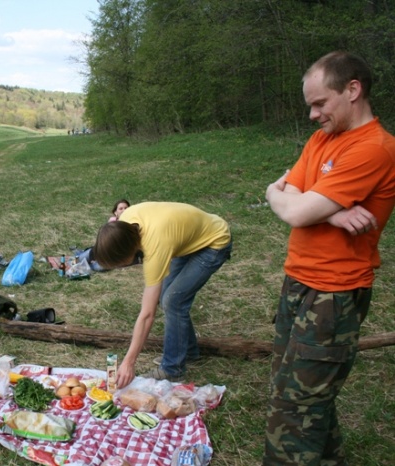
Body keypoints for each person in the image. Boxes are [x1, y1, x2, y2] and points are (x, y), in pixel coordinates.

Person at [263, 51, 395, 466]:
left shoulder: (375, 148)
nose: (313, 115)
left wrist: (301, 201)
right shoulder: (322, 140)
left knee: (294, 411)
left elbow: (295, 208)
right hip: (297, 281)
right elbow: (278, 193)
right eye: (310, 106)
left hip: (333, 296)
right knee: (303, 396)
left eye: (320, 103)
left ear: (353, 89)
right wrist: (333, 210)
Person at [92, 202, 232, 389]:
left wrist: (128, 362)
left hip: (213, 242)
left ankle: (173, 368)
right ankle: (188, 351)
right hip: (184, 238)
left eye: (119, 264)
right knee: (168, 297)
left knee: (173, 301)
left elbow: (147, 314)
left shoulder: (155, 247)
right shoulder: (124, 222)